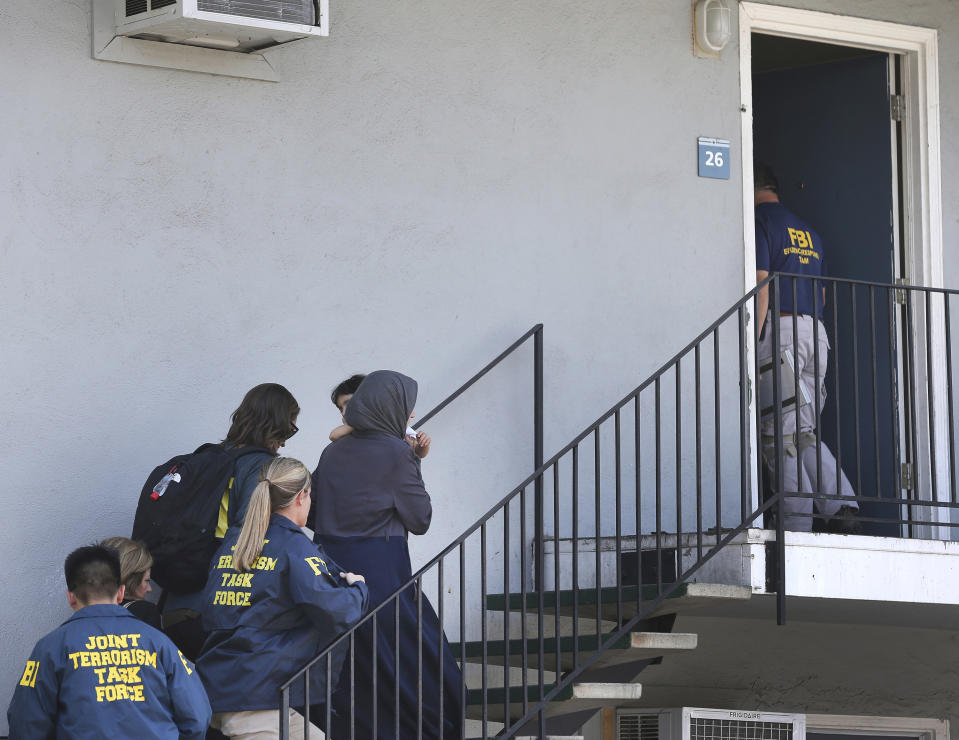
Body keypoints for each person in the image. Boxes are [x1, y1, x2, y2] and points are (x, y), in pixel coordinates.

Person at [311, 370, 462, 739]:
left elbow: (313, 512)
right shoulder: (395, 451)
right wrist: (415, 462)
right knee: (415, 660)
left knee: (355, 661)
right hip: (381, 567)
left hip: (330, 565)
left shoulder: (332, 451)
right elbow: (420, 518)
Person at [197, 456, 369, 740]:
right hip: (255, 700)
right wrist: (358, 589)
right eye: (310, 494)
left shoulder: (235, 541)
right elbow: (338, 612)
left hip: (227, 687)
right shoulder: (295, 546)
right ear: (301, 497)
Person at [7, 544, 211, 739]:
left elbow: (26, 723)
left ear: (70, 597)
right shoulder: (160, 643)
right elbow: (197, 716)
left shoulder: (51, 648)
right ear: (121, 592)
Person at [754, 162, 860, 533]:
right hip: (815, 334)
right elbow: (825, 294)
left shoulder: (759, 222)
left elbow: (761, 285)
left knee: (776, 435)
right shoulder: (808, 233)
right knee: (804, 431)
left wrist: (754, 340)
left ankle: (794, 525)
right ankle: (840, 501)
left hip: (780, 331)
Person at [164, 382, 300, 661]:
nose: (286, 441)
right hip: (219, 613)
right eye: (288, 429)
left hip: (173, 603)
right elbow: (251, 536)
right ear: (273, 425)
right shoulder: (261, 468)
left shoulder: (206, 459)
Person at [329, 373, 432, 458]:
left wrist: (423, 445)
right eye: (340, 408)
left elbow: (418, 453)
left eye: (348, 403)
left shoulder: (392, 422)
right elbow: (333, 435)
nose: (343, 412)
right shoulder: (354, 428)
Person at [102, 536, 162, 630]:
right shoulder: (144, 611)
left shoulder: (86, 610)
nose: (149, 589)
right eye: (146, 581)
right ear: (130, 579)